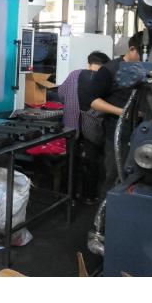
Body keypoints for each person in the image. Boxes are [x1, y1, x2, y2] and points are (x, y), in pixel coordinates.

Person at [88, 31, 144, 196]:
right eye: (143, 55)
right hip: (118, 134)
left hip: (142, 133)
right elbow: (93, 101)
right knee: (114, 175)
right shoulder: (110, 70)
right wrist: (123, 113)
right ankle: (106, 209)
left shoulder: (145, 71)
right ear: (132, 49)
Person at [57, 51, 110, 202]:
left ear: (88, 63)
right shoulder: (105, 79)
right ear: (105, 66)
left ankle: (69, 196)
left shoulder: (74, 74)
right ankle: (89, 196)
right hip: (93, 126)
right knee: (92, 161)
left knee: (71, 161)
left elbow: (61, 94)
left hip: (71, 125)